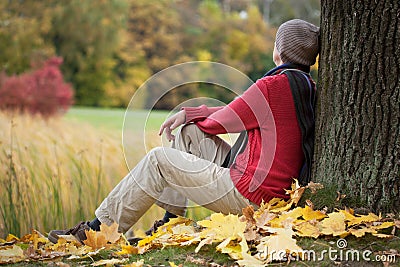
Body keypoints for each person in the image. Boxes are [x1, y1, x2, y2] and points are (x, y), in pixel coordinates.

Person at [48, 19, 320, 244]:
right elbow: (238, 113)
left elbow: (223, 122)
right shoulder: (306, 86)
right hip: (272, 190)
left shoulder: (272, 86)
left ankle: (95, 233)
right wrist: (190, 117)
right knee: (189, 132)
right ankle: (171, 222)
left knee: (158, 160)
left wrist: (195, 116)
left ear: (280, 50)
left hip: (251, 195)